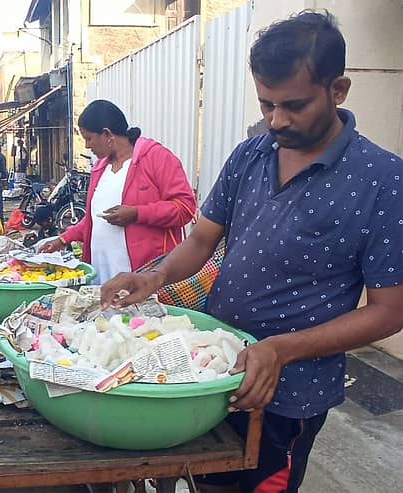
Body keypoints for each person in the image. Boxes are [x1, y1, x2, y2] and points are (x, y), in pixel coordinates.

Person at [100, 11, 403, 493]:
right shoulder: (253, 154)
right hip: (213, 368)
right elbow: (202, 239)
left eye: (294, 106)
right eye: (266, 104)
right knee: (202, 481)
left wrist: (281, 349)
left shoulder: (383, 179)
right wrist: (153, 277)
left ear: (339, 90)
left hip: (288, 395)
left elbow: (389, 311)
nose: (277, 120)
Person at [39, 100, 196, 283]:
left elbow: (185, 208)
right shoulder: (100, 167)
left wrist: (137, 213)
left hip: (143, 277)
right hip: (102, 275)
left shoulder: (156, 157)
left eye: (89, 138)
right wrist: (63, 239)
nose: (87, 146)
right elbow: (94, 220)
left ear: (107, 134)